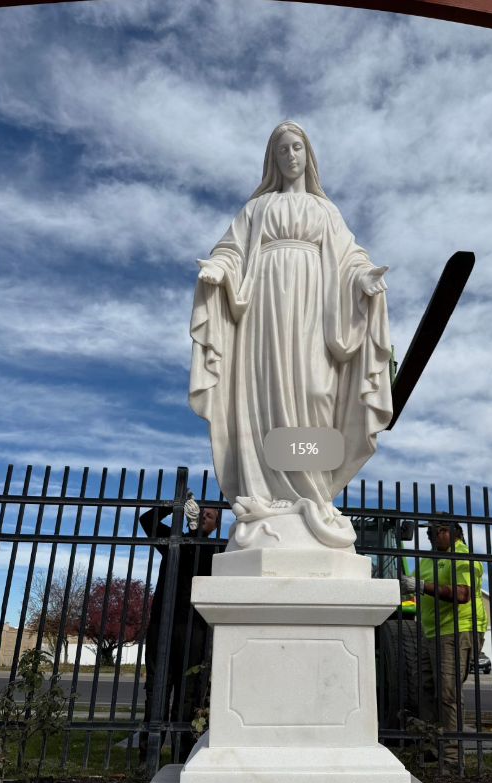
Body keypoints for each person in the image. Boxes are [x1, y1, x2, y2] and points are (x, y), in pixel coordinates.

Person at [189, 120, 392, 550]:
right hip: (263, 311)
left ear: (308, 154)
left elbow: (350, 258)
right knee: (264, 396)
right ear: (273, 160)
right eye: (283, 150)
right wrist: (217, 269)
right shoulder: (256, 209)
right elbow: (230, 250)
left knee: (317, 391)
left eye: (297, 147)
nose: (292, 156)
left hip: (315, 311)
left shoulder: (325, 212)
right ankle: (268, 493)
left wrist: (363, 279)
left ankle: (313, 495)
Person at [138, 492, 221, 767]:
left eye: (209, 517)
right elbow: (147, 521)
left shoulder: (215, 550)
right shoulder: (175, 543)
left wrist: (196, 530)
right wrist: (173, 505)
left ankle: (182, 757)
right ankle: (147, 756)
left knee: (188, 693)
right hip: (162, 624)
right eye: (201, 514)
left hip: (194, 628)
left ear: (214, 526)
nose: (203, 518)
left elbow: (199, 559)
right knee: (156, 690)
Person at [402, 517, 486, 771]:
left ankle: (451, 758)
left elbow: (462, 594)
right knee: (425, 688)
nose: (428, 537)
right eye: (427, 533)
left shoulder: (463, 557)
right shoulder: (429, 559)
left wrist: (420, 586)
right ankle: (430, 749)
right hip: (430, 632)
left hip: (458, 630)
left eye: (432, 533)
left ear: (449, 532)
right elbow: (410, 586)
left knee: (447, 692)